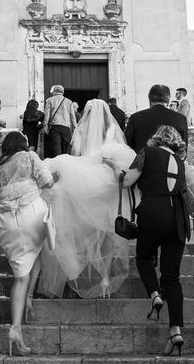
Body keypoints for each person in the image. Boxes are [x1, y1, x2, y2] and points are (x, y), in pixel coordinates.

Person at [103, 125, 190, 356]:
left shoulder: (148, 153)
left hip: (154, 211)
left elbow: (127, 181)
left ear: (157, 137)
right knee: (172, 277)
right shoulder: (179, 161)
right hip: (179, 219)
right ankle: (176, 331)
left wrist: (113, 165)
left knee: (143, 257)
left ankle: (154, 294)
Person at [38, 99, 137, 299]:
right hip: (106, 183)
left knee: (83, 225)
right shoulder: (111, 131)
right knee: (108, 230)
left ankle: (73, 270)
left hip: (85, 182)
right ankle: (105, 278)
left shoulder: (81, 131)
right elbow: (120, 157)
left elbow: (76, 153)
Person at [0, 131, 55, 356]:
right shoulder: (29, 156)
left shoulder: (0, 168)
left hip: (8, 222)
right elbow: (47, 182)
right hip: (31, 214)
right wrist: (55, 176)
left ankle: (16, 328)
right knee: (37, 250)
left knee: (21, 275)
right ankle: (29, 299)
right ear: (23, 144)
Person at [125, 84, 188, 154]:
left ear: (149, 100)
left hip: (143, 163)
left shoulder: (135, 118)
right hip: (170, 163)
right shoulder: (180, 119)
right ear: (168, 101)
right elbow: (183, 149)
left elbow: (127, 146)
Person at [43, 85, 77, 158]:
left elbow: (47, 115)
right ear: (63, 92)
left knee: (56, 145)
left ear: (54, 92)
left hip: (55, 126)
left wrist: (45, 125)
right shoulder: (68, 101)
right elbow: (72, 116)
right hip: (66, 126)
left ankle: (58, 161)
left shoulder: (49, 100)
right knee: (67, 145)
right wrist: (74, 126)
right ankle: (66, 160)